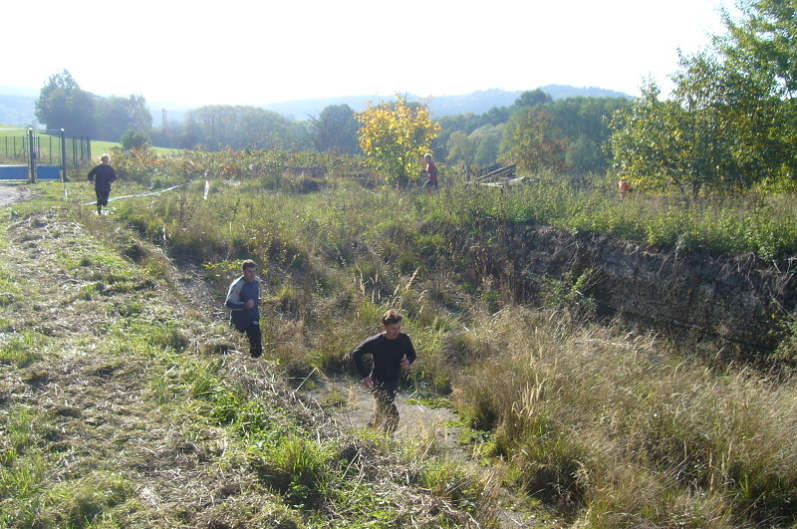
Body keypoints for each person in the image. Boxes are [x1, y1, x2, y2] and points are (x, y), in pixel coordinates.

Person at [352, 309, 416, 434]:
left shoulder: (404, 339)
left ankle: (369, 434)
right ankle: (387, 439)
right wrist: (365, 376)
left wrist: (408, 361)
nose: (396, 332)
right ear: (385, 327)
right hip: (378, 382)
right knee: (393, 416)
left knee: (381, 411)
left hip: (393, 381)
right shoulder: (376, 341)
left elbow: (412, 354)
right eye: (393, 329)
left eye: (399, 328)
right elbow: (356, 353)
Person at [225, 259, 263, 358]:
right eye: (249, 272)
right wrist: (245, 305)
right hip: (239, 321)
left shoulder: (257, 281)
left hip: (253, 318)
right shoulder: (237, 284)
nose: (252, 274)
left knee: (257, 347)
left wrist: (257, 300)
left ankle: (256, 364)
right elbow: (228, 303)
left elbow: (253, 296)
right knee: (235, 347)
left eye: (254, 271)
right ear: (243, 271)